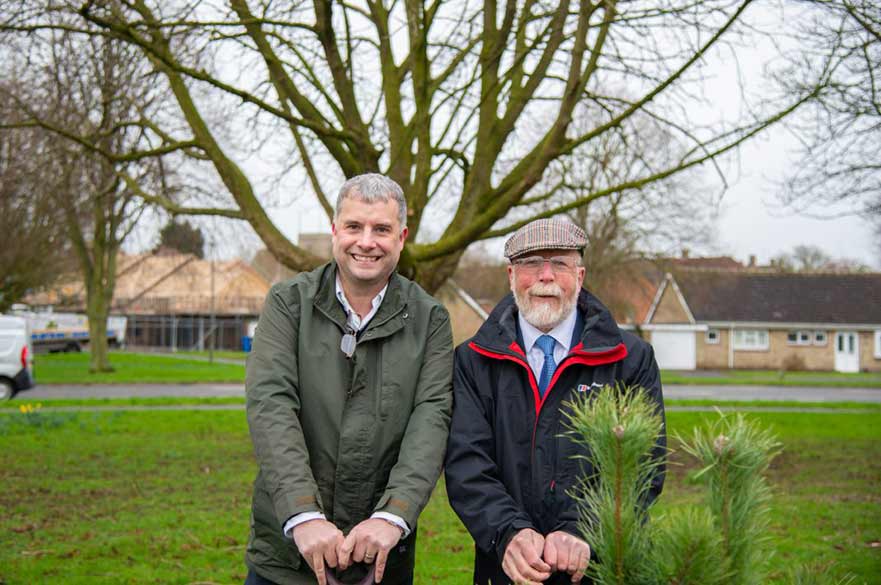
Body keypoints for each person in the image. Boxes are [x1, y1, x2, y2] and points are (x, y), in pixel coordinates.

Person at [244, 174, 454, 585]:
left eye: (381, 229)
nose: (366, 241)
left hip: (379, 559)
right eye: (354, 226)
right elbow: (271, 405)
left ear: (402, 237)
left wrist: (394, 515)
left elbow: (432, 420)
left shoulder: (430, 319)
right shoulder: (289, 304)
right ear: (335, 229)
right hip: (286, 558)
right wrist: (303, 514)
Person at [444, 218, 666, 585]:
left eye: (559, 263)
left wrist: (583, 530)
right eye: (532, 264)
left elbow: (642, 467)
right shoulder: (473, 360)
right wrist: (509, 533)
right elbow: (466, 463)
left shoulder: (630, 359)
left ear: (579, 276)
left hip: (599, 567)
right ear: (511, 275)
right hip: (507, 567)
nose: (546, 276)